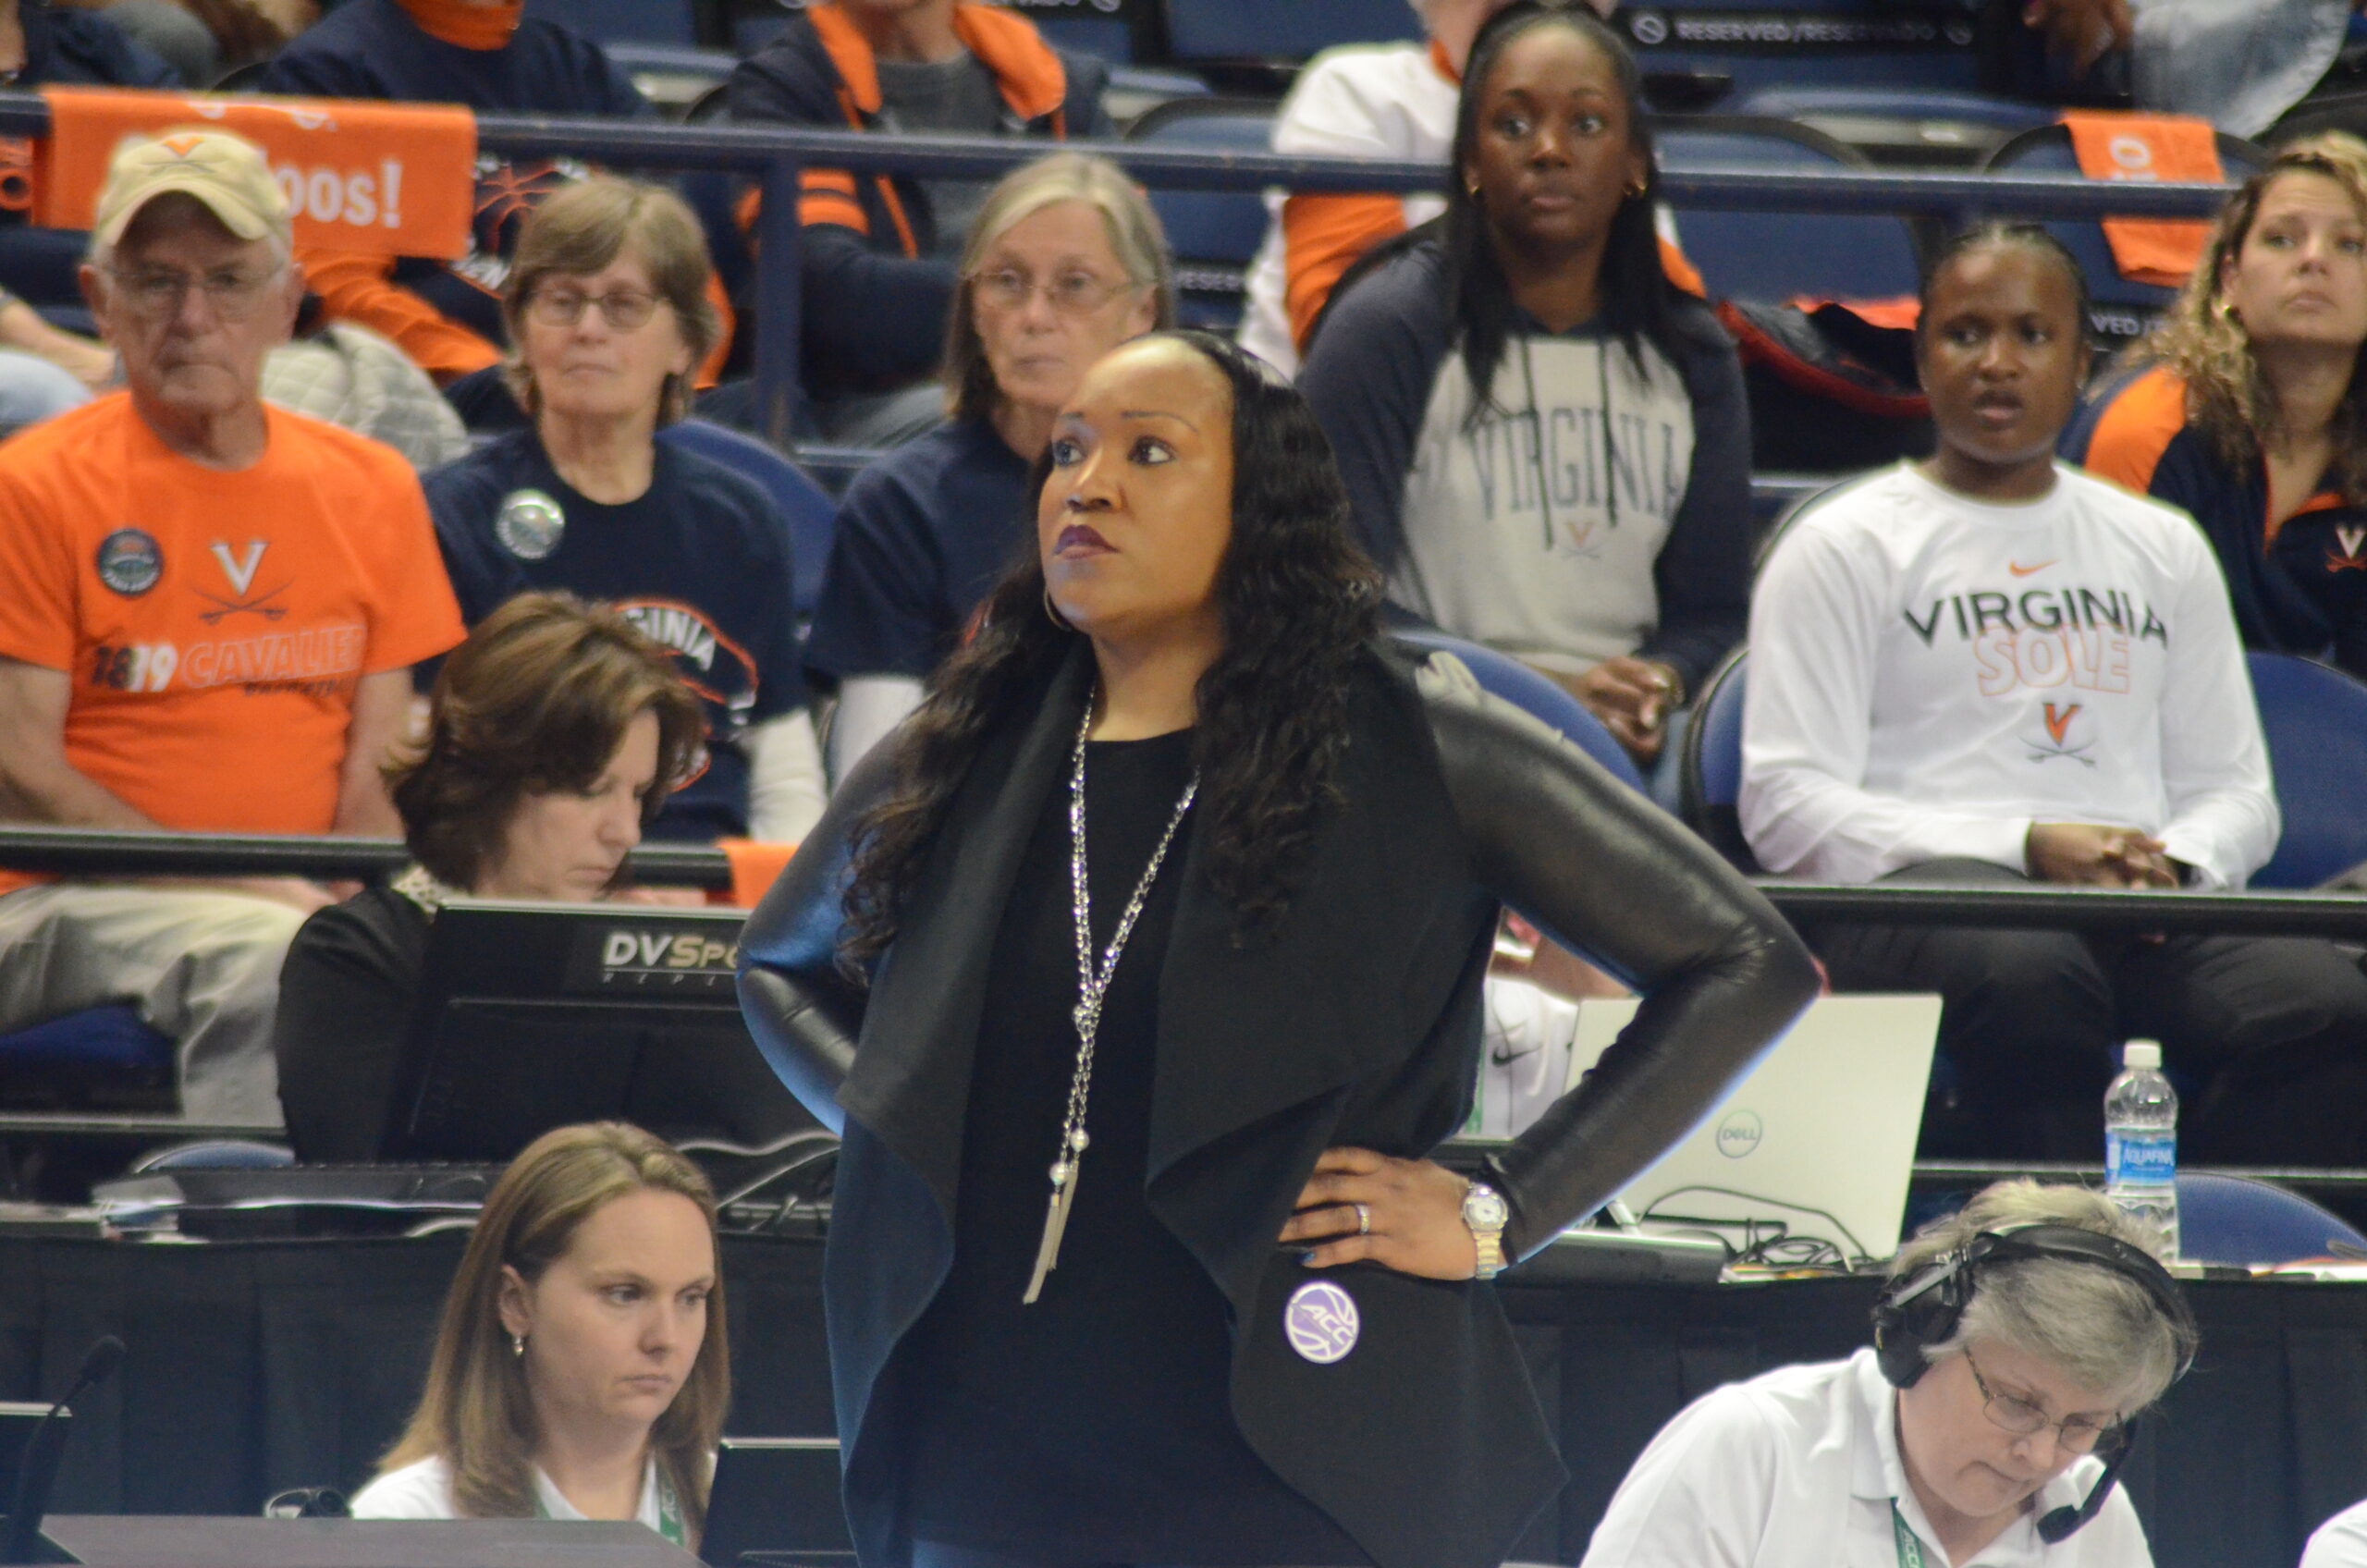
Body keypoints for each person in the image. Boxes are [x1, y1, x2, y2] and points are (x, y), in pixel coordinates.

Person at [736, 327, 1819, 1568]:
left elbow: (1745, 961)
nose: (1087, 485)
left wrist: (1504, 1209)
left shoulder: (1421, 748)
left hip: (1290, 1455)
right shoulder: (966, 747)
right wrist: (909, 1118)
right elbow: (778, 966)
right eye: (1069, 453)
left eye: (1151, 453)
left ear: (1258, 508)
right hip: (984, 1446)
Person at [1743, 222, 2367, 1163]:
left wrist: (2175, 867)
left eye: (2032, 336)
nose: (1998, 362)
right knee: (2031, 968)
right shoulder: (1842, 543)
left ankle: (2198, 1251)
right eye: (1966, 334)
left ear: (2081, 361)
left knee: (2329, 1005)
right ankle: (2050, 1250)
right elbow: (1785, 808)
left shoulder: (2159, 545)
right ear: (1921, 353)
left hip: (2133, 912)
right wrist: (2025, 846)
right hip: (1929, 904)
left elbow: (2237, 792)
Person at [0, 126, 462, 1126]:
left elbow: (383, 762)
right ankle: (258, 1256)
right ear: (97, 301)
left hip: (297, 899)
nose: (193, 317)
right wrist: (268, 889)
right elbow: (25, 776)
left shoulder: (373, 486)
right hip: (51, 899)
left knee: (494, 952)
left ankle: (432, 1243)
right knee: (279, 961)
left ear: (289, 302)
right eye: (156, 281)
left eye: (228, 280)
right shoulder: (30, 485)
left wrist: (353, 898)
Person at [1298, 2, 1750, 801]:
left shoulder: (1693, 353)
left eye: (1585, 123)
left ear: (1635, 161)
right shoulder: (1386, 328)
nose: (1549, 151)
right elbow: (1333, 602)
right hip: (1436, 717)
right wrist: (1544, 693)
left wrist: (1658, 684)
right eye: (1513, 125)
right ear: (1470, 161)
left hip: (1632, 733)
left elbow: (1713, 613)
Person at [423, 178, 826, 845]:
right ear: (523, 327)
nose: (587, 330)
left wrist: (773, 922)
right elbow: (432, 770)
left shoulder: (739, 522)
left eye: (623, 305)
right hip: (530, 887)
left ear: (684, 346)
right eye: (561, 302)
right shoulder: (451, 515)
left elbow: (783, 776)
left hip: (708, 890)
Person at [273, 593, 705, 1162]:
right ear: (490, 777)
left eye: (639, 793)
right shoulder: (358, 956)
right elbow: (371, 1188)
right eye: (591, 790)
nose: (625, 832)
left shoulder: (638, 964)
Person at [1579, 1180, 2195, 1567]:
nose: (2039, 1456)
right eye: (2017, 1403)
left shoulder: (2096, 1521)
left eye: (2082, 1424)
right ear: (1920, 1339)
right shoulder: (1752, 1451)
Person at [804, 151, 1171, 782]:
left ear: (1141, 311)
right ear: (974, 308)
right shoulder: (903, 503)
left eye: (1074, 285)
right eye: (1007, 281)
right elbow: (874, 785)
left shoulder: (1201, 494)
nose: (1034, 316)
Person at [255, 0, 720, 415]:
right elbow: (334, 284)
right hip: (436, 399)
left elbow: (680, 263)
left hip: (611, 390)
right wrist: (501, 380)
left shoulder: (575, 63)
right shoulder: (331, 69)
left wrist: (681, 383)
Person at [725, 0, 1111, 448]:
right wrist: (1045, 304)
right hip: (871, 403)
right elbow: (834, 295)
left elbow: (1136, 275)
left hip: (1061, 383)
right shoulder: (788, 88)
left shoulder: (1060, 85)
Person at [2065, 134, 2367, 680]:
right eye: (2281, 239)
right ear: (2230, 280)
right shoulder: (2147, 430)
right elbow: (2097, 667)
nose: (2313, 260)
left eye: (2351, 245)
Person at [350, 1120, 728, 1550]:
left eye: (691, 1297)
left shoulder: (742, 1507)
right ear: (516, 1302)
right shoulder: (410, 1523)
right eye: (625, 1294)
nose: (666, 1338)